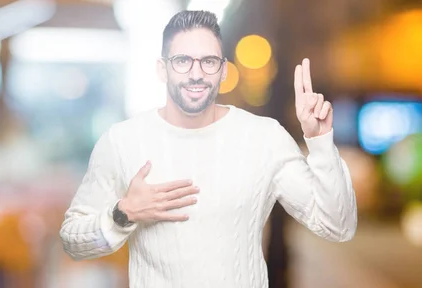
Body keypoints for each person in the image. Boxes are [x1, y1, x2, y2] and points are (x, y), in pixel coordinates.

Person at [59, 10, 357, 288]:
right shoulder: (122, 141)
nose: (196, 73)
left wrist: (319, 141)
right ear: (162, 69)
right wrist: (123, 214)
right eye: (182, 61)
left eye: (208, 61)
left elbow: (338, 227)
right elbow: (74, 244)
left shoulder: (264, 138)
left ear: (223, 70)